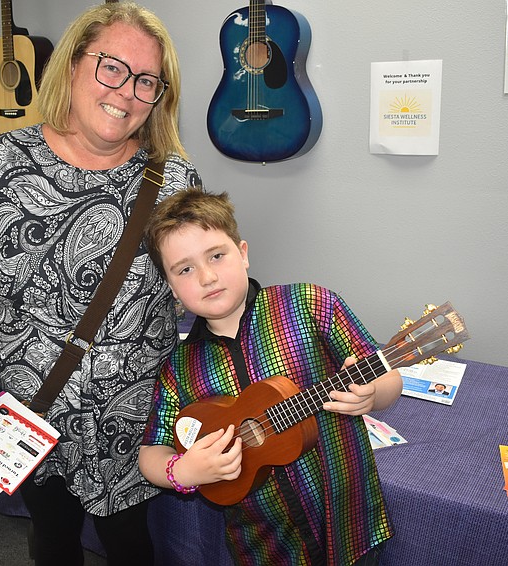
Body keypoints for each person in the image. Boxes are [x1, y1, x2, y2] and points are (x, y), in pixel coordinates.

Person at [0, 3, 201, 565]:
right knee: (52, 540)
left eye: (146, 81)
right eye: (111, 68)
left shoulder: (174, 178)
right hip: (33, 414)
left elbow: (199, 281)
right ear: (73, 65)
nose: (125, 93)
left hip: (134, 422)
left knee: (132, 545)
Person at [139, 189, 401, 566]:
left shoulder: (311, 304)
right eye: (185, 269)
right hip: (264, 545)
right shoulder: (180, 366)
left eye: (217, 255)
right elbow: (152, 451)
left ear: (242, 253)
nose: (207, 276)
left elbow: (389, 378)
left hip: (347, 521)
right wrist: (183, 470)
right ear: (170, 285)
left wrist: (372, 395)